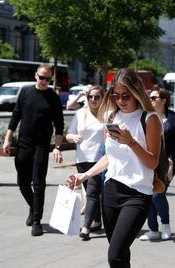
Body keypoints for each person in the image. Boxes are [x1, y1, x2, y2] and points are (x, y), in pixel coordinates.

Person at [67, 68, 162, 267]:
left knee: (115, 254)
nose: (120, 100)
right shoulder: (112, 119)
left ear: (136, 92)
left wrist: (131, 142)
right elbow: (109, 157)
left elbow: (152, 162)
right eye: (116, 96)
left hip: (137, 194)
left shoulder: (149, 119)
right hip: (111, 191)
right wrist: (85, 175)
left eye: (126, 96)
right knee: (120, 254)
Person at [3, 63, 64, 237]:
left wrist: (57, 147)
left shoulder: (53, 98)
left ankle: (36, 220)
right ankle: (33, 206)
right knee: (22, 182)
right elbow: (15, 117)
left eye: (48, 78)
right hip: (23, 144)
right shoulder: (25, 92)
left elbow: (59, 125)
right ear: (35, 76)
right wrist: (7, 140)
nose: (44, 81)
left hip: (41, 146)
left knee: (38, 184)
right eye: (42, 77)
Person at [139, 87, 175, 241]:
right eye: (150, 97)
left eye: (154, 98)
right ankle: (153, 229)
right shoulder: (146, 116)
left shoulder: (174, 119)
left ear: (164, 100)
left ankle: (165, 225)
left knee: (157, 194)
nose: (151, 100)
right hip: (147, 161)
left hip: (168, 164)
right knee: (147, 195)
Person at [66, 85, 105, 241]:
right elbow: (68, 134)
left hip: (99, 159)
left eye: (97, 97)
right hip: (82, 159)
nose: (93, 100)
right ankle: (97, 220)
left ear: (102, 98)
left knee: (92, 193)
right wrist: (73, 138)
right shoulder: (80, 113)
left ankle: (86, 228)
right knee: (90, 191)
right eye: (90, 97)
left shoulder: (107, 114)